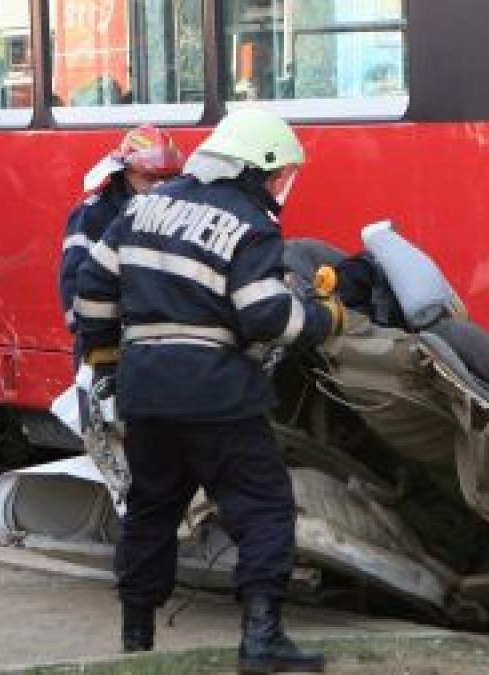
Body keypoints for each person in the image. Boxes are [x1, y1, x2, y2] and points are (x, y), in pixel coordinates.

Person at [73, 108, 343, 673]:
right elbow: (267, 315)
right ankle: (262, 639)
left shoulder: (143, 206)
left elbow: (91, 289)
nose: (277, 187)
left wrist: (105, 356)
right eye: (276, 174)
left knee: (150, 509)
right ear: (252, 167)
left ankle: (136, 638)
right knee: (264, 508)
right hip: (217, 394)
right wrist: (323, 319)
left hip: (145, 390)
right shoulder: (249, 222)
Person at [59, 124, 184, 361]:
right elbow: (74, 288)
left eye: (169, 178)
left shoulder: (176, 213)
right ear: (126, 172)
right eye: (150, 177)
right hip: (106, 348)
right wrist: (99, 346)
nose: (160, 186)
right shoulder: (92, 216)